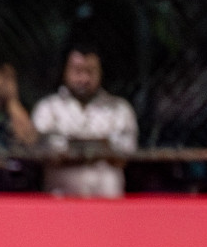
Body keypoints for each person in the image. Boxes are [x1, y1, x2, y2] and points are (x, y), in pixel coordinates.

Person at [31, 44, 138, 199]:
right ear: (65, 71)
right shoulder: (47, 107)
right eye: (77, 71)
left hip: (108, 201)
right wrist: (96, 152)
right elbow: (45, 153)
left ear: (101, 72)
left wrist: (85, 151)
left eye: (90, 71)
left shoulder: (119, 109)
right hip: (61, 200)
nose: (84, 78)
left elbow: (125, 156)